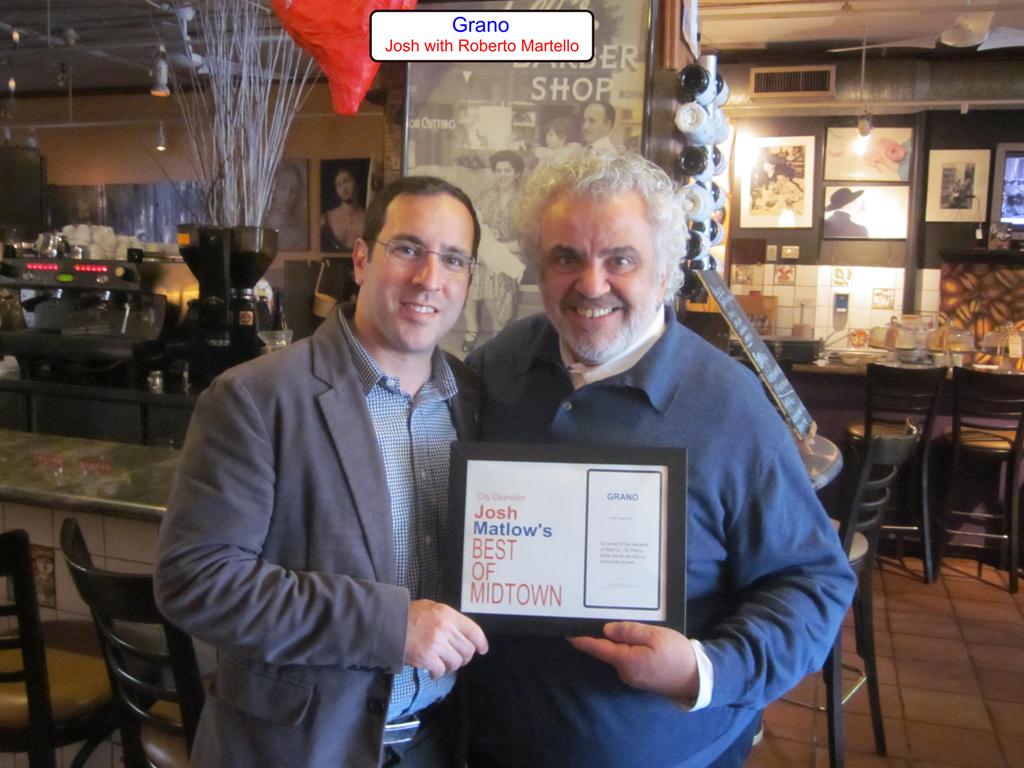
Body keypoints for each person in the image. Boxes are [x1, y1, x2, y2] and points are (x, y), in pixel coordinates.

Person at [463, 150, 856, 768]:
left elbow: (813, 581)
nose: (592, 284)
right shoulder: (500, 365)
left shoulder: (730, 406)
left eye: (620, 259)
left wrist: (704, 670)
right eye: (566, 258)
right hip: (493, 746)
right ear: (539, 266)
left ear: (666, 271)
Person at [155, 175, 490, 768]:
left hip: (437, 743)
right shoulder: (256, 397)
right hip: (299, 749)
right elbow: (197, 580)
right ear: (361, 260)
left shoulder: (471, 399)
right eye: (407, 249)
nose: (428, 278)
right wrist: (390, 627)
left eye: (453, 259)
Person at [461, 150, 526, 353]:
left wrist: (498, 248)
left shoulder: (525, 201)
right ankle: (472, 328)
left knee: (486, 269)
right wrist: (487, 243)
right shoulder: (484, 197)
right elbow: (474, 226)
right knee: (472, 268)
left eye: (507, 170)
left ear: (517, 173)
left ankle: (497, 329)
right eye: (498, 170)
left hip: (514, 253)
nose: (502, 175)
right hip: (485, 252)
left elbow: (527, 242)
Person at [320, 165, 367, 251]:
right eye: (339, 185)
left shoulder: (368, 217)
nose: (343, 188)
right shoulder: (326, 219)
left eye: (346, 181)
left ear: (357, 184)